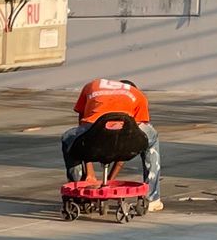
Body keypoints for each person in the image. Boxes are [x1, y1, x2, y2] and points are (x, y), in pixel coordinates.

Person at [62, 76, 164, 212]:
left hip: (91, 137)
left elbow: (83, 129)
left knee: (68, 138)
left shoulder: (91, 86)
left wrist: (90, 172)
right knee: (151, 136)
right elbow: (133, 139)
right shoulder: (138, 96)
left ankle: (80, 191)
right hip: (125, 139)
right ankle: (153, 198)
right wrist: (110, 179)